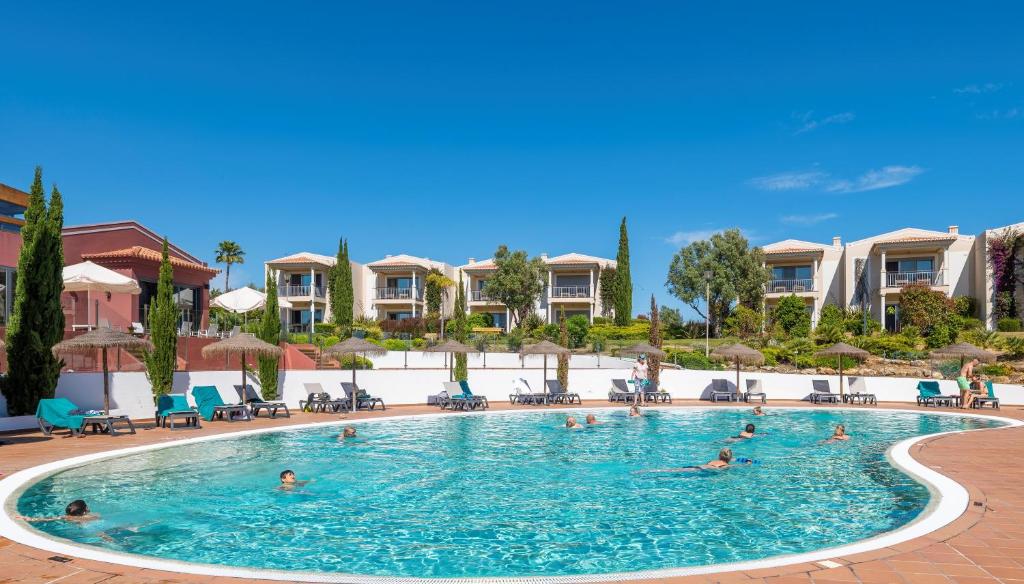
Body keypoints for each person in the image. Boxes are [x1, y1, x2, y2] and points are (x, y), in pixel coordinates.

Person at [14, 499, 99, 523]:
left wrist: (30, 519)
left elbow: (48, 519)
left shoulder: (67, 517)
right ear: (86, 509)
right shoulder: (94, 516)